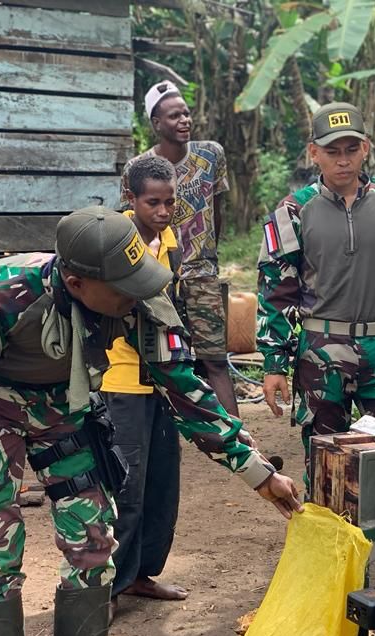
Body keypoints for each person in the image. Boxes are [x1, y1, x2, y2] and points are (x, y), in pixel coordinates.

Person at [0, 207, 300, 636]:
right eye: (122, 288)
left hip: (66, 411)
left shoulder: (138, 297)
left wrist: (257, 472)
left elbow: (187, 393)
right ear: (76, 283)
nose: (134, 296)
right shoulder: (0, 297)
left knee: (94, 543)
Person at [257, 102, 375, 491]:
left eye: (351, 150)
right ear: (314, 153)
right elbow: (275, 293)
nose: (343, 161)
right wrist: (274, 364)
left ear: (366, 149)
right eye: (332, 151)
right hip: (320, 353)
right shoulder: (292, 211)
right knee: (325, 461)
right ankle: (330, 545)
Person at [122, 80, 240, 417]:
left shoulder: (210, 155)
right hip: (155, 277)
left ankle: (241, 442)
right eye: (174, 116)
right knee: (161, 358)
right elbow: (130, 224)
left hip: (201, 274)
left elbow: (217, 211)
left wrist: (208, 253)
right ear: (156, 124)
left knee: (214, 361)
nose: (184, 120)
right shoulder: (138, 169)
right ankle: (163, 433)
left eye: (186, 114)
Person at [103, 155, 187, 612]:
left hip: (162, 379)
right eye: (152, 202)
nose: (161, 211)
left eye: (169, 202)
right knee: (126, 488)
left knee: (161, 484)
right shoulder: (114, 241)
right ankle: (110, 587)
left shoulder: (170, 241)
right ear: (129, 197)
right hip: (121, 381)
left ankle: (141, 575)